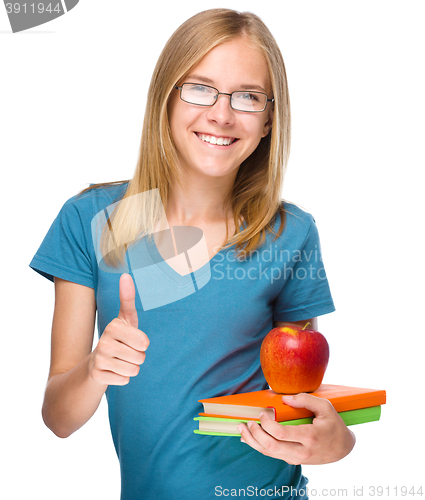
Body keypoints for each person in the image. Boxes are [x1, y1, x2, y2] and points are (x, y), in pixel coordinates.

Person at [30, 8, 355, 500]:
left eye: (247, 96)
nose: (221, 114)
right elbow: (58, 418)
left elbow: (303, 400)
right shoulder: (91, 221)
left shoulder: (292, 233)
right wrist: (97, 368)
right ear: (166, 97)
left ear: (268, 119)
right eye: (200, 88)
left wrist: (338, 443)